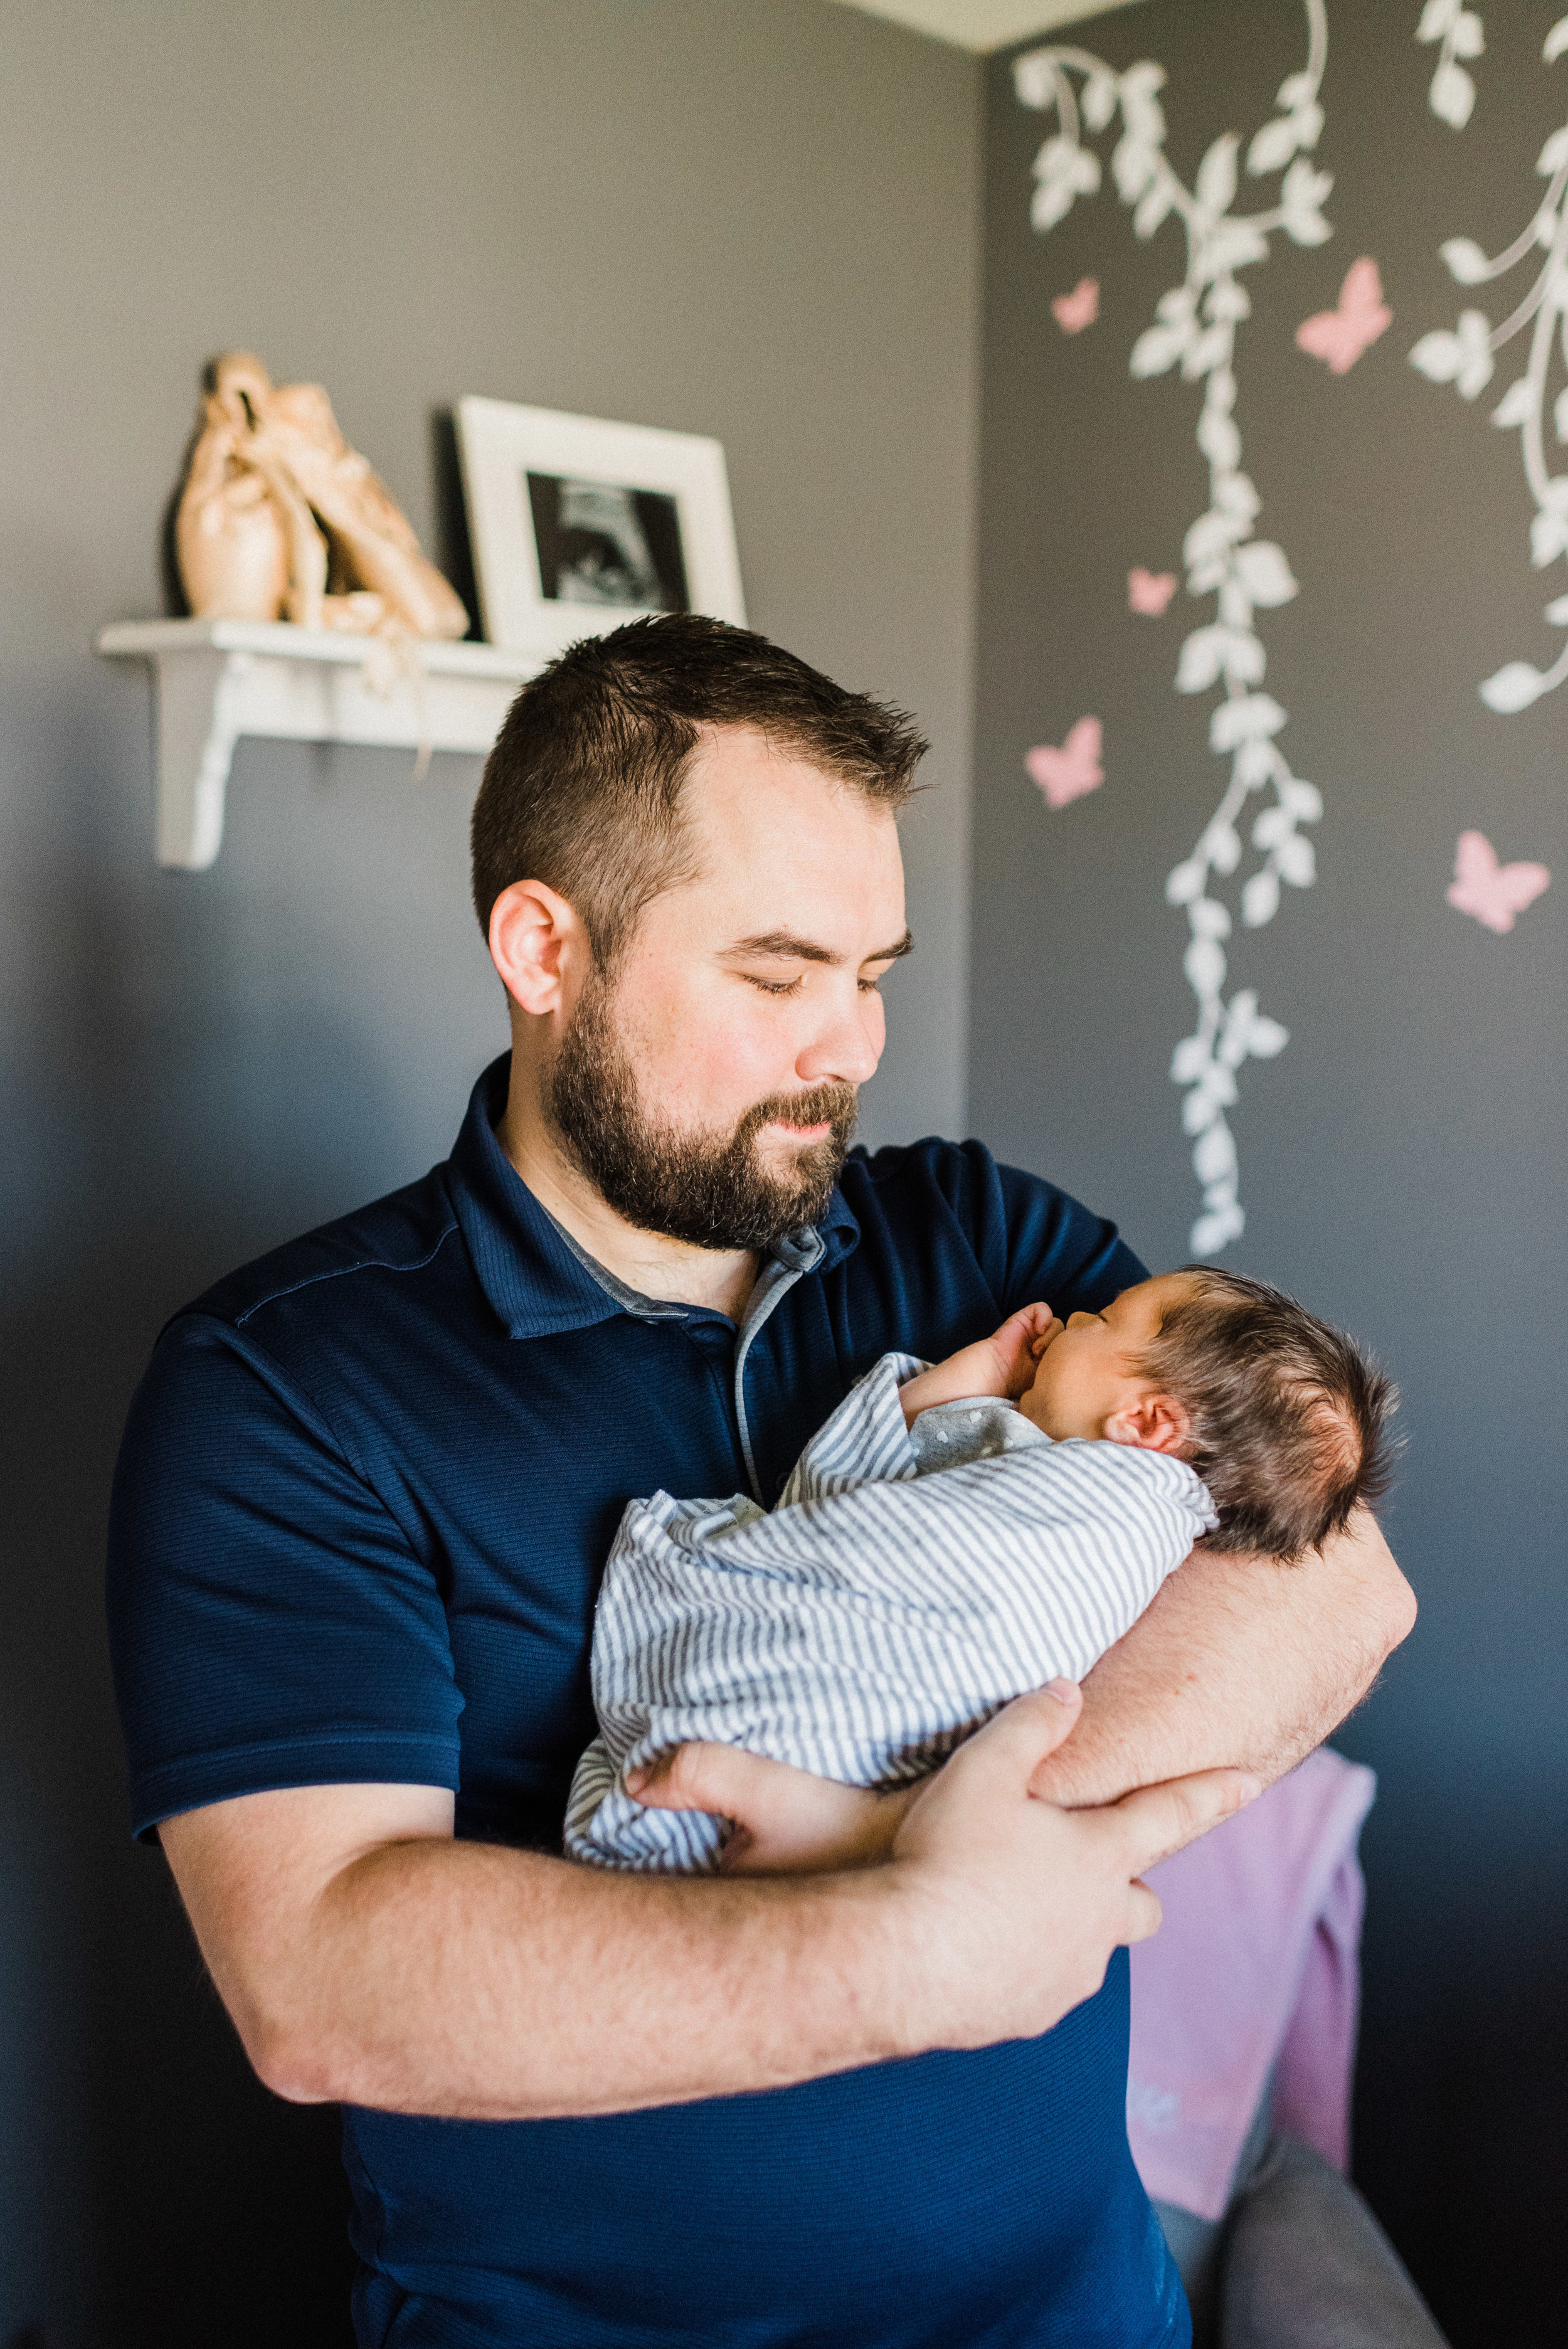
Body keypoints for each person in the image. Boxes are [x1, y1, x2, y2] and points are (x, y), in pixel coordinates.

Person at [106, 615, 1416, 2349]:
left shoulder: (985, 1248)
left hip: (1073, 2310)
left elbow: (1334, 1579)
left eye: (872, 969)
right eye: (778, 973)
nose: (850, 1047)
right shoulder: (283, 1386)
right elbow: (322, 1981)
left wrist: (910, 1826)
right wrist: (903, 1941)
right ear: (542, 945)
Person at [566, 1269, 1397, 1874]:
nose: (1071, 1317)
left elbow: (843, 1492)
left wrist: (971, 1380)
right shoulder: (1151, 1510)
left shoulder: (1088, 1490)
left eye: (1101, 1318)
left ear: (1145, 1420)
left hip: (825, 1704)